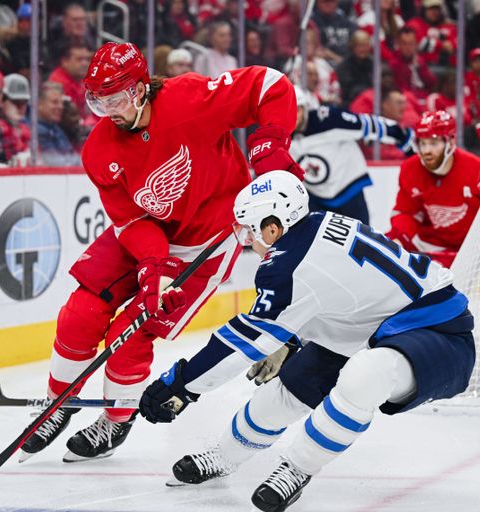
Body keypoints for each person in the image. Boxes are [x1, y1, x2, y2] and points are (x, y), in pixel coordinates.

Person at [18, 41, 304, 463]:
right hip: (143, 236)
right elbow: (132, 221)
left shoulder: (190, 98)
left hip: (205, 242)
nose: (106, 111)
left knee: (132, 332)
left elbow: (270, 84)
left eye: (113, 99)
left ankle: (115, 422)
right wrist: (153, 264)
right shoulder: (99, 149)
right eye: (97, 101)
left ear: (138, 90)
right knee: (82, 310)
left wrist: (270, 141)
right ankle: (57, 403)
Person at [138, 170, 475, 512]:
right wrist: (290, 339)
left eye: (252, 230)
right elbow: (338, 292)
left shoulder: (287, 263)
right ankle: (224, 456)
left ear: (272, 228)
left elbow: (245, 339)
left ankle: (297, 468)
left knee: (364, 375)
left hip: (439, 334)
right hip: (378, 327)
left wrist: (182, 384)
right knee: (281, 394)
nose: (250, 240)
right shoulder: (316, 223)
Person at [290, 87, 414, 222]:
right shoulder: (277, 133)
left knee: (360, 238)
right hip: (313, 197)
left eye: (297, 109)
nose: (292, 115)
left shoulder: (327, 120)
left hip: (347, 189)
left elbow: (366, 125)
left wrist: (401, 136)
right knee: (311, 240)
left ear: (305, 108)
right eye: (286, 110)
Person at [386, 110, 480, 267]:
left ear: (450, 142)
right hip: (430, 246)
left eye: (433, 143)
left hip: (470, 248)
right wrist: (399, 238)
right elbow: (406, 212)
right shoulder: (410, 169)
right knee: (384, 247)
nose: (426, 151)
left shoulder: (477, 169)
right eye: (422, 143)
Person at [36, 81, 79, 166]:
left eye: (61, 103)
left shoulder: (55, 127)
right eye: (55, 102)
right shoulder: (36, 130)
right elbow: (53, 161)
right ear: (39, 104)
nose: (60, 107)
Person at [406, 0, 456, 66]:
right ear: (424, 9)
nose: (434, 12)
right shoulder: (414, 24)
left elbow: (454, 48)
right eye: (431, 8)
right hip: (420, 68)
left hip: (445, 70)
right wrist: (442, 46)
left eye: (437, 8)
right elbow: (420, 44)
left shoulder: (449, 27)